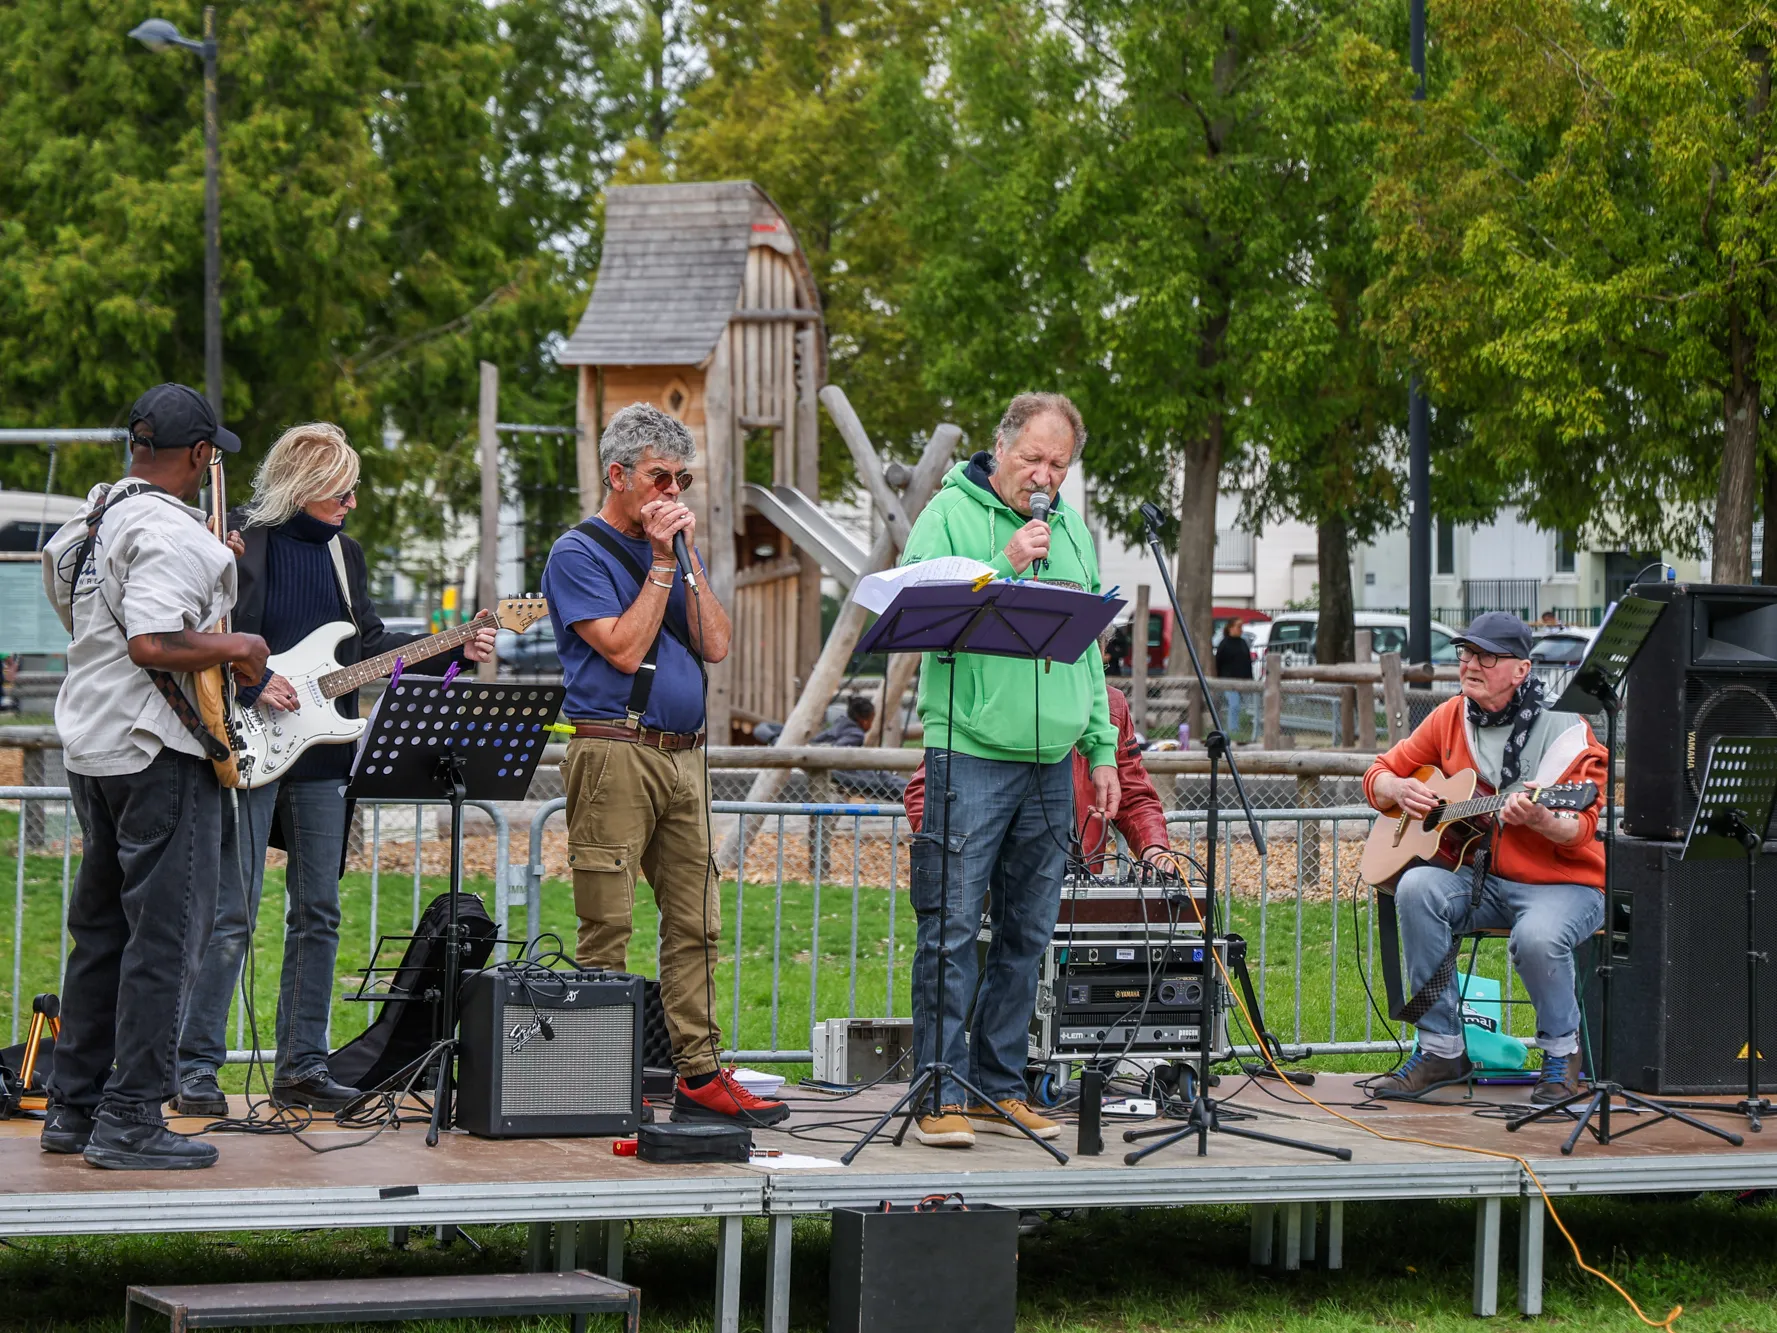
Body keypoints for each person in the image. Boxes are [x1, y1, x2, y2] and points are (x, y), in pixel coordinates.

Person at [173, 424, 496, 1117]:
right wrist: (255, 682)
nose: (352, 502)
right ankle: (194, 1067)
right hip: (246, 743)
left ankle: (303, 1066)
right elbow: (200, 634)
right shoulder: (238, 539)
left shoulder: (345, 556)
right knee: (231, 912)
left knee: (318, 911)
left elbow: (371, 647)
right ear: (302, 487)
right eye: (341, 490)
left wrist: (456, 648)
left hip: (323, 756)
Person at [38, 384, 270, 1169]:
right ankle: (132, 1116)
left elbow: (88, 618)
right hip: (157, 752)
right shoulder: (172, 532)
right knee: (165, 939)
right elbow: (151, 641)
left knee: (102, 933)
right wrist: (239, 647)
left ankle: (73, 1109)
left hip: (94, 744)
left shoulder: (91, 519)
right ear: (201, 454)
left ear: (137, 446)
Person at [542, 402, 787, 1127]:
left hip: (684, 755)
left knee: (696, 922)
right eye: (659, 477)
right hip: (615, 748)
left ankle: (700, 1072)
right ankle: (595, 1078)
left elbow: (715, 643)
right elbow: (621, 648)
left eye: (682, 479)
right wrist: (656, 562)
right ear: (617, 475)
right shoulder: (577, 553)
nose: (672, 491)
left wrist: (684, 559)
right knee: (606, 925)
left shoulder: (675, 549)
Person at [896, 390, 1119, 1149]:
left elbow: (1089, 653)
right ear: (1000, 449)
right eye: (1032, 459)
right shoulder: (947, 514)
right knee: (952, 928)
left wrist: (1100, 748)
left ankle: (998, 1085)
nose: (1044, 476)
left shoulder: (1073, 532)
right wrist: (1005, 562)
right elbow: (915, 613)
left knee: (1027, 935)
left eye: (1059, 464)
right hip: (969, 754)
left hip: (1051, 763)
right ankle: (938, 1091)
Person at [1363, 611, 1607, 1104]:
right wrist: (1399, 788)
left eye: (1486, 656)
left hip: (1565, 883)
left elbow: (1580, 828)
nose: (1470, 665)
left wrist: (1542, 819)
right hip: (1485, 880)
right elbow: (1379, 773)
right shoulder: (1450, 716)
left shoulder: (1567, 731)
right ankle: (1441, 1050)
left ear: (1521, 669)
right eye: (1466, 653)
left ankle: (1562, 1055)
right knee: (1416, 887)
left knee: (1537, 937)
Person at [903, 679, 1170, 873]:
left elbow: (1133, 795)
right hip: (997, 872)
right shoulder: (1002, 696)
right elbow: (925, 790)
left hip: (1078, 869)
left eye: (1096, 666)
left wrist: (1154, 848)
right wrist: (959, 853)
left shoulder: (1112, 705)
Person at [812, 695, 906, 798]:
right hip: (844, 774)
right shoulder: (856, 734)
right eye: (871, 720)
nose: (871, 724)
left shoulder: (840, 725)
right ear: (864, 721)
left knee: (884, 776)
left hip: (832, 771)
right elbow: (838, 751)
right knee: (886, 779)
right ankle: (912, 793)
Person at [1213, 618, 1254, 739]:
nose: (1241, 630)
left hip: (1243, 680)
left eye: (1242, 627)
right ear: (1230, 628)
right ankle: (1233, 731)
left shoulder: (1243, 643)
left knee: (1249, 706)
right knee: (1234, 705)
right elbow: (1218, 663)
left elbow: (1248, 662)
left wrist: (1250, 678)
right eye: (1238, 627)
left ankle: (1252, 730)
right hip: (1229, 681)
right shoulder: (1224, 644)